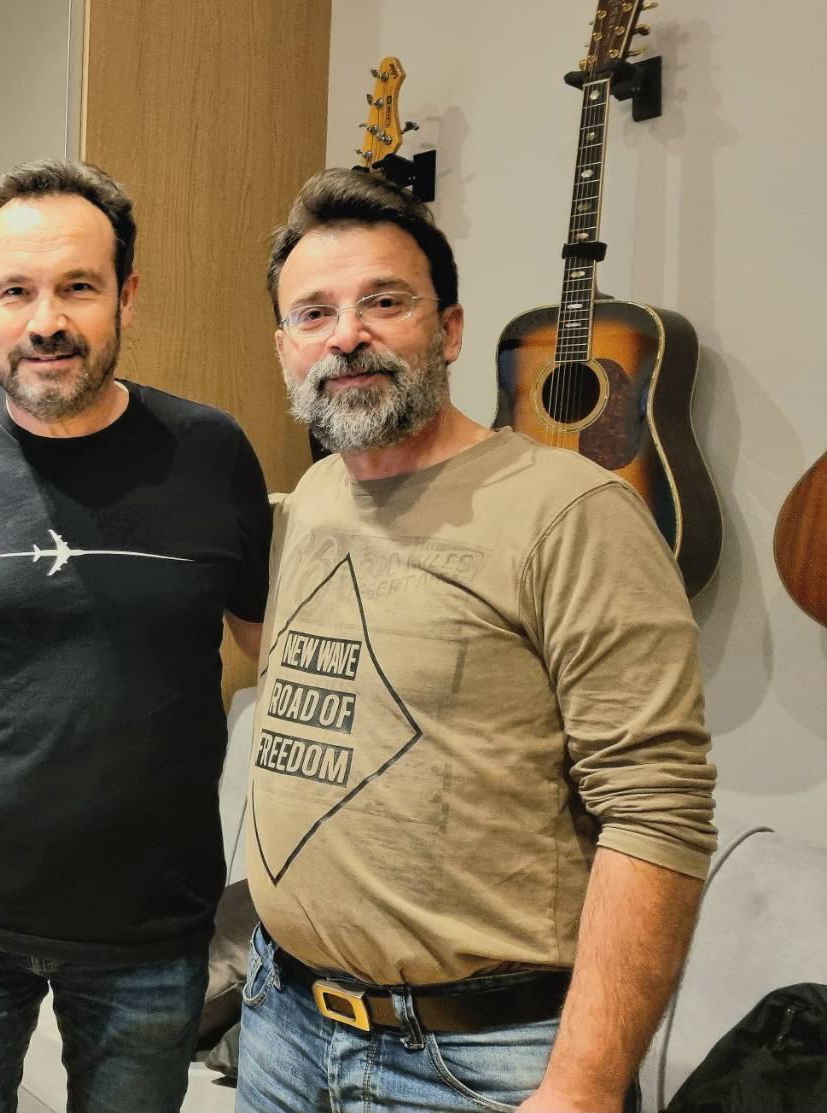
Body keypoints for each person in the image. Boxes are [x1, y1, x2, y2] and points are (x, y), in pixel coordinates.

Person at [236, 167, 717, 1113]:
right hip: (279, 1020)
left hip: (474, 1062)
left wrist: (583, 1087)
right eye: (314, 313)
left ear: (450, 329)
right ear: (287, 347)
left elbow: (658, 810)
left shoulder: (573, 511)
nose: (347, 335)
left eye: (385, 302)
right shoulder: (312, 498)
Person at [0, 158, 272, 1113]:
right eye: (16, 291)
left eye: (78, 286)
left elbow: (275, 649)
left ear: (126, 296)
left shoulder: (211, 453)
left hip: (152, 928)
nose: (46, 321)